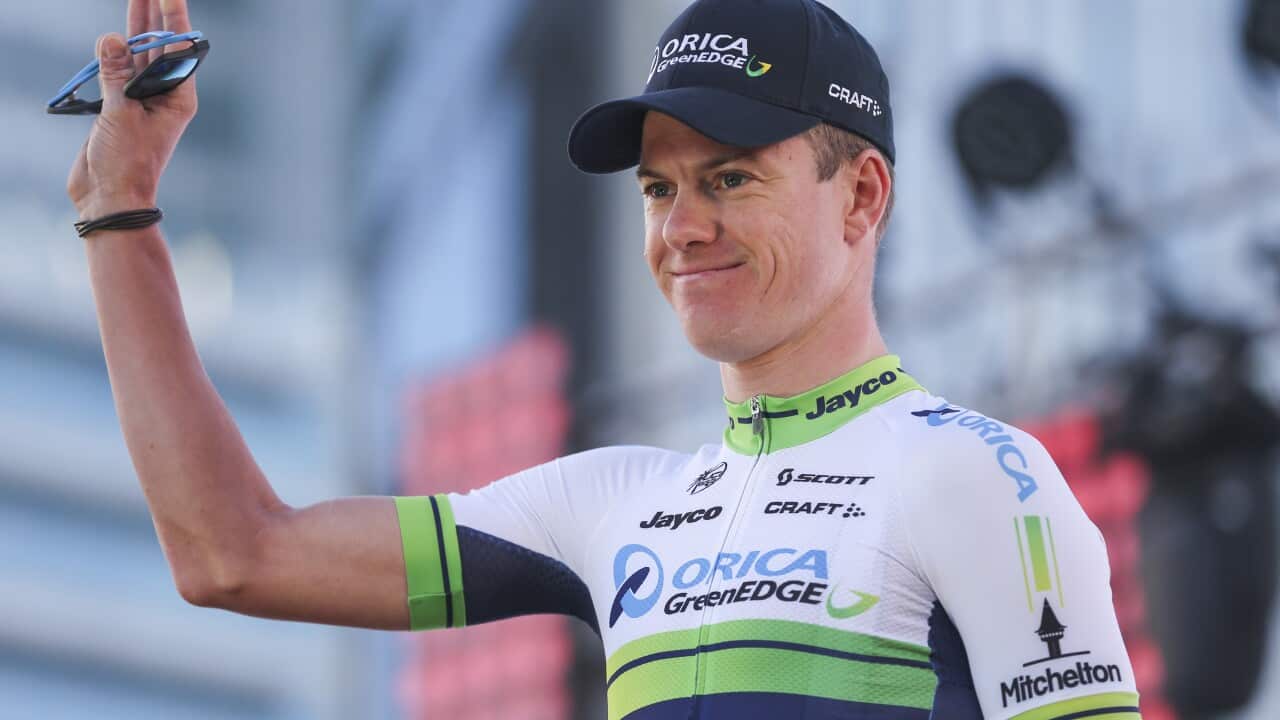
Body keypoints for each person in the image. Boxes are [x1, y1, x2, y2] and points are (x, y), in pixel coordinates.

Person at [70, 0, 1141, 718]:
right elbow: (234, 553)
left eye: (729, 179)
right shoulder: (609, 501)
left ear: (859, 195)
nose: (681, 228)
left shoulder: (971, 475)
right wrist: (120, 211)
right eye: (658, 189)